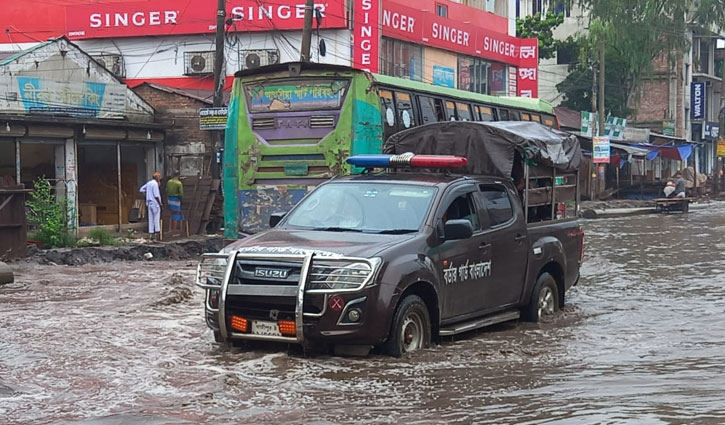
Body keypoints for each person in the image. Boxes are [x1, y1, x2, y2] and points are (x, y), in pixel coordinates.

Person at [140, 172, 162, 240]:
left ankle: (151, 234)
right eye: (159, 178)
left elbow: (141, 189)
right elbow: (156, 196)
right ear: (157, 178)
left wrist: (146, 195)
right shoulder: (155, 184)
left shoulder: (149, 183)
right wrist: (160, 203)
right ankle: (157, 234)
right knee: (156, 218)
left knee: (151, 219)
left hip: (149, 204)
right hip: (155, 204)